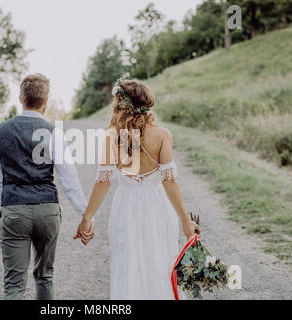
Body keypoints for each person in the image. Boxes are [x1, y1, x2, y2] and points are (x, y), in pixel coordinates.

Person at [74, 76, 201, 299]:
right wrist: (184, 219)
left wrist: (87, 218)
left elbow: (103, 182)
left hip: (126, 208)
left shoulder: (111, 138)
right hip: (158, 207)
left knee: (128, 264)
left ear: (120, 105)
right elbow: (169, 181)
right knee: (159, 260)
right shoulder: (162, 135)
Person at [0, 73, 92, 300]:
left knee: (14, 284)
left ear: (20, 98)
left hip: (14, 210)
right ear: (46, 102)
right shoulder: (54, 132)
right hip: (47, 211)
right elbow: (69, 180)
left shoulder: (1, 131)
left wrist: (0, 214)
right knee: (45, 276)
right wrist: (85, 216)